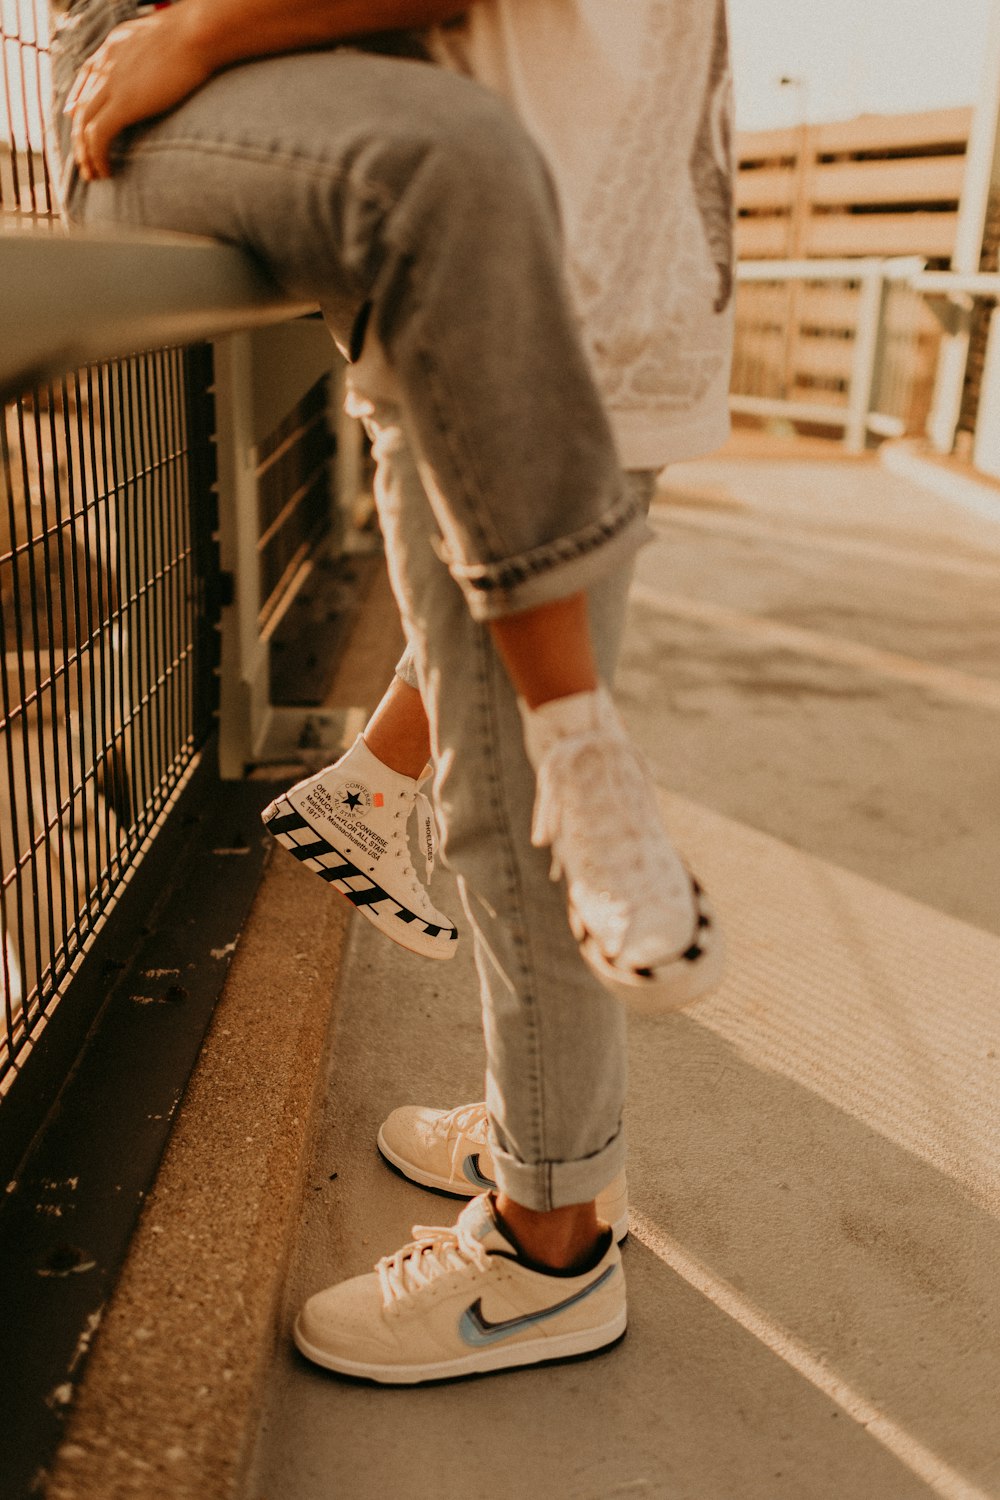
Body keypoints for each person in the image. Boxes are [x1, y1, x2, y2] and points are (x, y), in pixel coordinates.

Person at [53, 0, 734, 1383]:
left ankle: (549, 1253)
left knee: (510, 801)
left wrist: (203, 29)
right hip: (613, 224)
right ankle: (537, 1125)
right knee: (504, 761)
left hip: (533, 246)